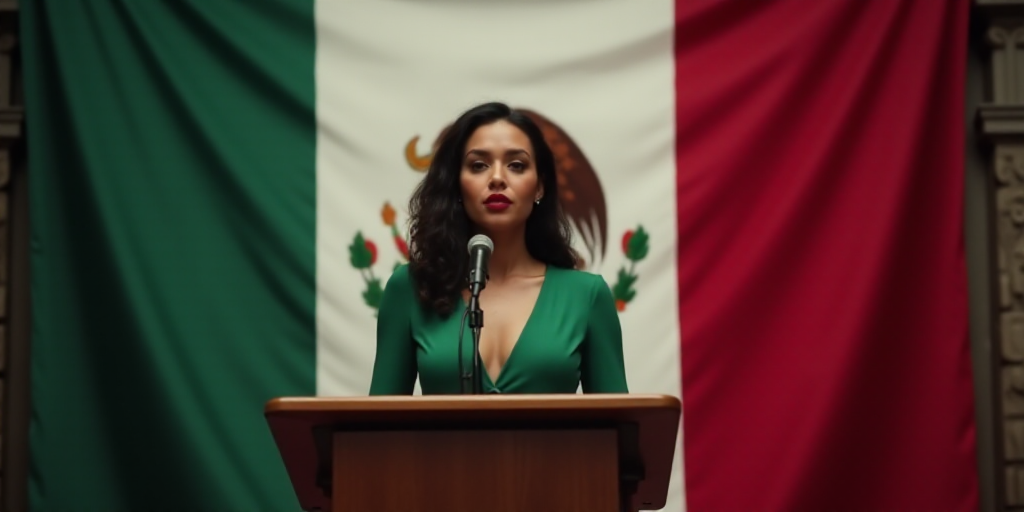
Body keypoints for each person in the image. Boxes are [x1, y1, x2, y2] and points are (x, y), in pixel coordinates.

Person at [368, 102, 628, 395]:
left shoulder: (587, 295)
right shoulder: (411, 289)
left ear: (539, 187)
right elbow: (376, 428)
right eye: (478, 165)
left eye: (516, 165)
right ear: (456, 184)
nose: (497, 178)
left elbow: (622, 430)